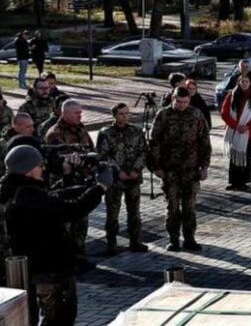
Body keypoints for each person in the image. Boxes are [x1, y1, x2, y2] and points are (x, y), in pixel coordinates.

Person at [0, 146, 109, 326]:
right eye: (39, 165)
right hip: (50, 272)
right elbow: (72, 209)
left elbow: (54, 197)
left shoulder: (12, 190)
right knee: (59, 320)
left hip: (31, 271)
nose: (43, 168)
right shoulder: (29, 197)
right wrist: (101, 187)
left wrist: (69, 176)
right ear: (28, 169)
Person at [151, 87, 212, 252]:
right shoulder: (163, 115)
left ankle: (190, 238)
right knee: (172, 206)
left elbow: (205, 142)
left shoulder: (197, 115)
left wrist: (204, 166)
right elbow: (154, 141)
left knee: (189, 206)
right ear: (173, 98)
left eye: (185, 102)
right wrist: (156, 166)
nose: (182, 105)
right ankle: (173, 239)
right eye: (178, 101)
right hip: (170, 169)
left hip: (191, 170)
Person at [44, 100, 95, 269]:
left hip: (81, 185)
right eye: (76, 113)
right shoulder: (55, 134)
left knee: (81, 222)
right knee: (65, 226)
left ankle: (80, 256)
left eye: (81, 112)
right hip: (64, 187)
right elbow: (54, 163)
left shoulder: (81, 129)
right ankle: (67, 260)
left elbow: (90, 151)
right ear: (64, 113)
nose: (80, 116)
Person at [96, 103, 149, 255]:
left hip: (133, 179)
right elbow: (103, 155)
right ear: (114, 115)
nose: (125, 116)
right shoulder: (106, 133)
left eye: (127, 113)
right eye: (121, 114)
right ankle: (111, 244)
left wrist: (136, 169)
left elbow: (143, 152)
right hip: (114, 180)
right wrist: (117, 171)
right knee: (112, 212)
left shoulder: (136, 131)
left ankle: (135, 241)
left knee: (135, 212)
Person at [220, 76, 251, 191]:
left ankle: (243, 181)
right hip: (234, 131)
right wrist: (236, 126)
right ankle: (234, 181)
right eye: (242, 81)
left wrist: (247, 126)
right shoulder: (231, 96)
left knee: (246, 157)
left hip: (248, 132)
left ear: (250, 83)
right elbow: (224, 113)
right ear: (238, 83)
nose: (244, 83)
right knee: (234, 157)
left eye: (247, 81)